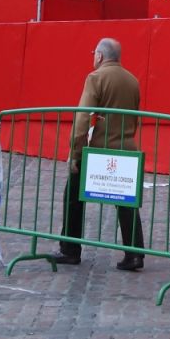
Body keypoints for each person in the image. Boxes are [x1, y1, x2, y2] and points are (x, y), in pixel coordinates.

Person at [53, 37, 146, 270]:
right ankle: (135, 254)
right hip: (126, 147)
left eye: (94, 53)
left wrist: (75, 151)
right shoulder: (132, 80)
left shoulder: (95, 78)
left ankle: (70, 248)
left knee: (73, 196)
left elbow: (83, 117)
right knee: (127, 203)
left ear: (100, 56)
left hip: (99, 150)